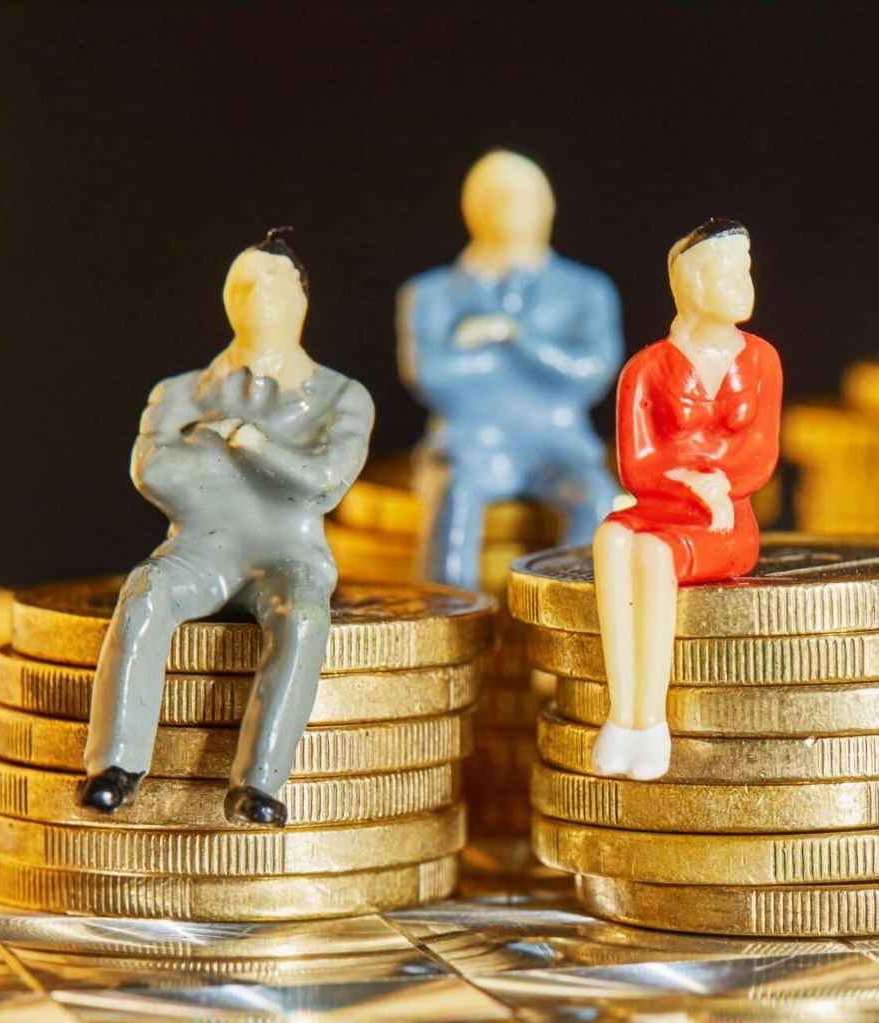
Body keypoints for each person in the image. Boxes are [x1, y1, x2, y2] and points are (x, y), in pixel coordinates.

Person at [79, 231, 372, 827]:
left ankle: (260, 781)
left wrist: (244, 442)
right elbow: (154, 471)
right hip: (201, 548)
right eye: (242, 284)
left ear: (302, 299)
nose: (256, 297)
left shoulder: (345, 397)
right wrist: (263, 462)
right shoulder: (180, 390)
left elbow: (322, 483)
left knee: (305, 614)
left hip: (290, 552)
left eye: (273, 284)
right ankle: (115, 764)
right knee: (145, 591)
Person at [591, 219, 782, 780]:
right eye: (726, 270)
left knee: (651, 556)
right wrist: (689, 483)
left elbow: (761, 451)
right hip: (663, 506)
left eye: (744, 268)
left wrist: (720, 484)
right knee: (609, 538)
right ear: (691, 285)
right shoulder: (646, 369)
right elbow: (637, 462)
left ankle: (649, 722)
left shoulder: (762, 360)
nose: (741, 281)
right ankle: (619, 713)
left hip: (725, 524)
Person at [398, 150, 623, 589]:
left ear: (548, 205)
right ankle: (451, 617)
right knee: (455, 493)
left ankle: (568, 614)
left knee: (598, 498)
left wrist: (511, 336)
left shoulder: (587, 290)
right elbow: (433, 377)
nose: (510, 208)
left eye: (523, 196)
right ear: (472, 208)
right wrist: (529, 361)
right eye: (496, 196)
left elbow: (589, 372)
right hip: (470, 442)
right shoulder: (430, 293)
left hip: (560, 442)